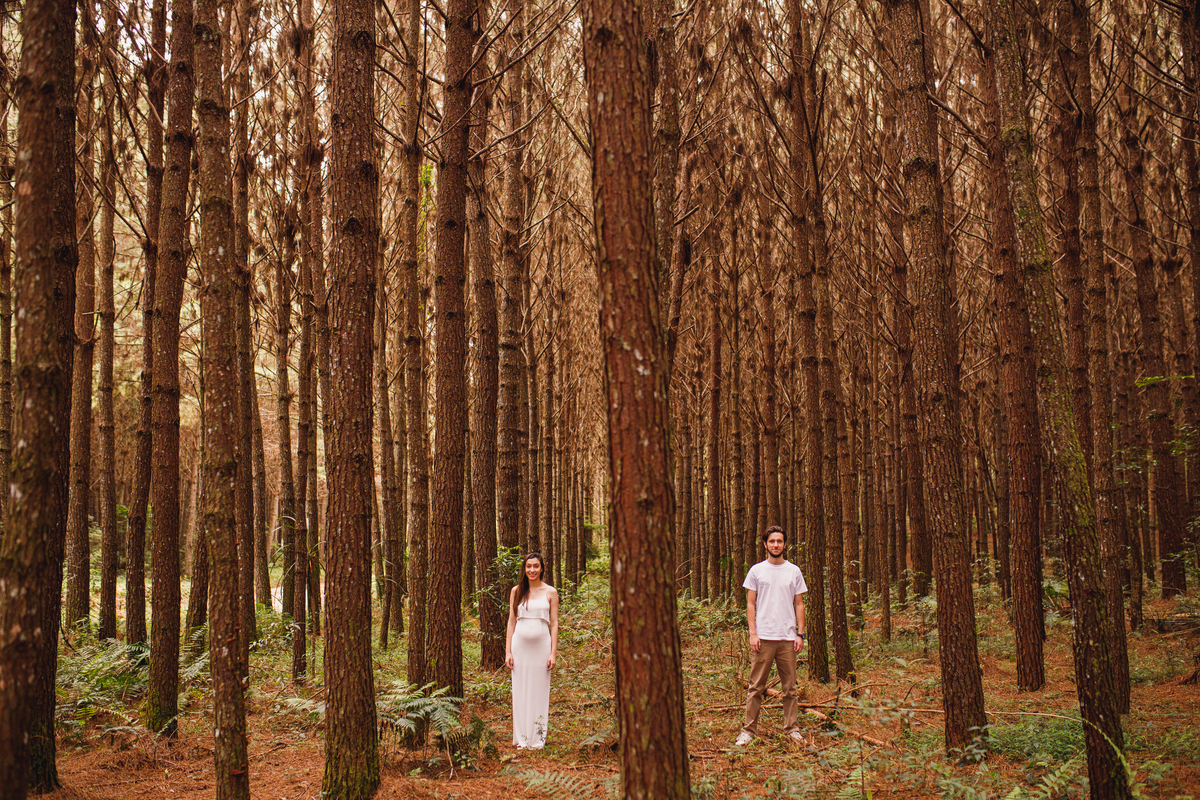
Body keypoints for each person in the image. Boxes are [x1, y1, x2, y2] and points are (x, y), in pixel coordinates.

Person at [736, 524, 807, 746]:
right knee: (756, 686)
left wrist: (800, 634)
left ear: (785, 544)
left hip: (787, 638)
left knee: (790, 688)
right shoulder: (757, 571)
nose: (776, 545)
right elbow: (750, 603)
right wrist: (753, 633)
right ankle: (748, 730)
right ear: (765, 544)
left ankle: (792, 729)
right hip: (763, 638)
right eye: (772, 541)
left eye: (779, 541)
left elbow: (799, 604)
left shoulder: (793, 571)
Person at [505, 552, 559, 749]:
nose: (532, 570)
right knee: (520, 690)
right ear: (524, 569)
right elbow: (511, 622)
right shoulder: (516, 591)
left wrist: (553, 653)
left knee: (539, 690)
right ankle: (521, 738)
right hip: (519, 647)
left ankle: (537, 738)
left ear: (542, 567)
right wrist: (508, 652)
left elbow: (554, 624)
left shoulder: (550, 592)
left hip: (542, 647)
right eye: (529, 567)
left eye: (536, 566)